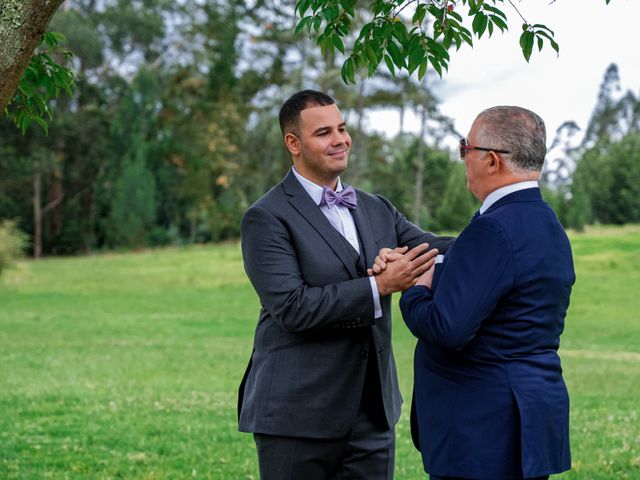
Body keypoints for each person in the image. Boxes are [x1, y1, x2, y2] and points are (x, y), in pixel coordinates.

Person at [238, 89, 453, 479]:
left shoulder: (377, 208)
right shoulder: (266, 217)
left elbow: (438, 248)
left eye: (342, 128)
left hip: (373, 415)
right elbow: (292, 307)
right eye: (323, 133)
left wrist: (503, 229)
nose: (340, 139)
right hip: (296, 417)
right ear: (294, 143)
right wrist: (380, 287)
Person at [397, 106, 575, 479]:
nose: (463, 159)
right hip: (525, 420)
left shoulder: (493, 229)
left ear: (492, 160)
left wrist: (415, 289)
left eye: (466, 148)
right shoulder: (548, 225)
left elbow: (448, 329)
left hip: (481, 432)